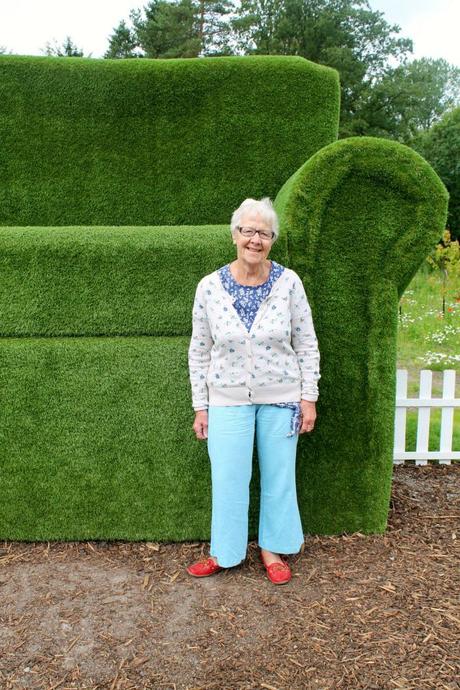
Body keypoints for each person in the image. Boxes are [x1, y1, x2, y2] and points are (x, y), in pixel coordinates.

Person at [187, 197, 320, 585]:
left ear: (272, 239)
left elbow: (306, 342)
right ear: (234, 235)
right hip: (226, 398)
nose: (255, 239)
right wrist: (201, 406)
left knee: (280, 476)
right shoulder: (209, 288)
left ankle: (272, 548)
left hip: (282, 398)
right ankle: (224, 552)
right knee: (228, 477)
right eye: (248, 230)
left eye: (263, 233)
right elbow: (199, 350)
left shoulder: (288, 282)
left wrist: (307, 396)